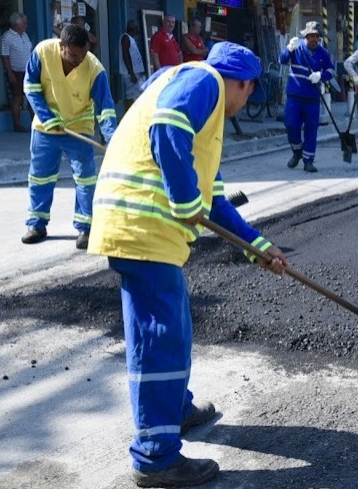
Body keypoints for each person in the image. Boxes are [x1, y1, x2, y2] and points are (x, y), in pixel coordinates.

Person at [88, 42, 289, 488]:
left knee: (173, 328)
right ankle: (155, 457)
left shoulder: (201, 104)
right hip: (142, 225)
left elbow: (215, 202)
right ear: (244, 83)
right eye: (249, 94)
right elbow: (167, 125)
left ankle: (174, 411)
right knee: (161, 339)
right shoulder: (206, 81)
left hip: (145, 229)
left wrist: (258, 246)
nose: (244, 104)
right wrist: (183, 200)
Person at [21, 24, 117, 249]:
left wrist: (113, 140)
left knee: (85, 179)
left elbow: (106, 109)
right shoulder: (42, 52)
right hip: (46, 127)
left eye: (83, 54)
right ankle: (37, 224)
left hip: (78, 127)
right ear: (61, 46)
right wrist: (45, 116)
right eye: (74, 54)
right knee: (40, 177)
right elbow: (31, 86)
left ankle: (86, 227)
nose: (79, 59)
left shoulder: (94, 69)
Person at [279, 21, 335, 173]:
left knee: (311, 130)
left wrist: (320, 75)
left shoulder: (324, 54)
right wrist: (289, 48)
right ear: (305, 36)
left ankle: (308, 161)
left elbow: (331, 71)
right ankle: (297, 151)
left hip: (312, 99)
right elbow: (282, 60)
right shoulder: (297, 48)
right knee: (291, 125)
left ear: (319, 38)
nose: (313, 39)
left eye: (316, 36)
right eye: (310, 36)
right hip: (294, 96)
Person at [0, 11, 33, 132]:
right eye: (24, 23)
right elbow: (4, 56)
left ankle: (35, 123)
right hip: (16, 72)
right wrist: (10, 73)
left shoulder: (24, 35)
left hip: (28, 71)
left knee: (32, 97)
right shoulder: (7, 37)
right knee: (17, 98)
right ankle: (17, 125)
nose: (26, 25)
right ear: (16, 24)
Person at [120, 19, 147, 110]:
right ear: (133, 28)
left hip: (135, 72)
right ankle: (128, 116)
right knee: (130, 96)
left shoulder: (131, 38)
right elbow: (125, 56)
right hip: (130, 73)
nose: (139, 29)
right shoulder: (126, 37)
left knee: (137, 94)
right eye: (138, 28)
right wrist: (132, 73)